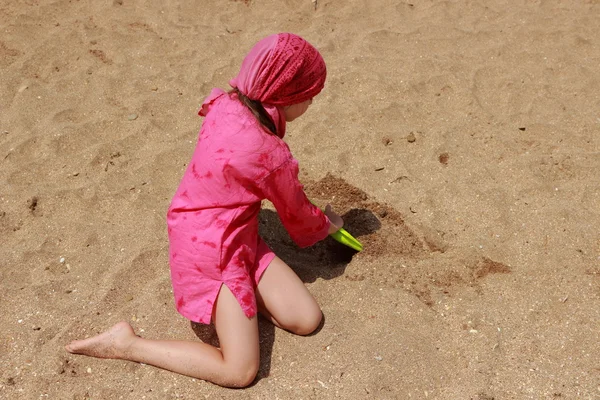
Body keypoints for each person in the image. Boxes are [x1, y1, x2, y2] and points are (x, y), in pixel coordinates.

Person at [65, 33, 344, 388]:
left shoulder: (228, 104)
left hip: (229, 235)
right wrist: (328, 225)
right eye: (309, 95)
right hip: (212, 256)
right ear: (288, 97)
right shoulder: (271, 156)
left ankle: (239, 307)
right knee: (239, 371)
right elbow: (298, 213)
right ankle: (128, 344)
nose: (312, 101)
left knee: (306, 319)